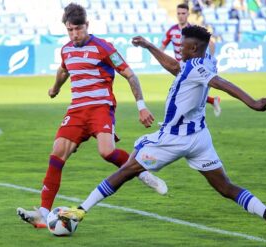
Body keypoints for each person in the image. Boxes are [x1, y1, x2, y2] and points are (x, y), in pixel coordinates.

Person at [58, 25, 266, 241]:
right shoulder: (204, 60)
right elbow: (175, 67)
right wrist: (149, 46)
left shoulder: (197, 68)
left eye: (182, 46)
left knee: (127, 170)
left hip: (174, 138)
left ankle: (80, 211)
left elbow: (219, 82)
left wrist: (252, 102)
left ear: (193, 49)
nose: (179, 48)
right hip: (199, 137)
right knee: (225, 186)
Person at [16, 3, 168, 229]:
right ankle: (43, 213)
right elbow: (64, 69)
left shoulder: (104, 47)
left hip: (100, 107)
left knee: (107, 152)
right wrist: (55, 88)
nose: (74, 34)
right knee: (57, 153)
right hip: (77, 110)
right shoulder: (66, 50)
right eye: (70, 30)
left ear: (87, 25)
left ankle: (143, 173)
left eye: (78, 29)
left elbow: (130, 75)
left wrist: (142, 106)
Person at [160, 3, 221, 117]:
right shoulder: (171, 31)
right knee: (185, 91)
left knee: (180, 92)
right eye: (178, 13)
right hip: (179, 66)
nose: (181, 16)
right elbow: (161, 48)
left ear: (188, 14)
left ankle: (176, 120)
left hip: (191, 66)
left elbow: (211, 43)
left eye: (183, 13)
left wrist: (209, 59)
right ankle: (212, 101)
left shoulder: (192, 31)